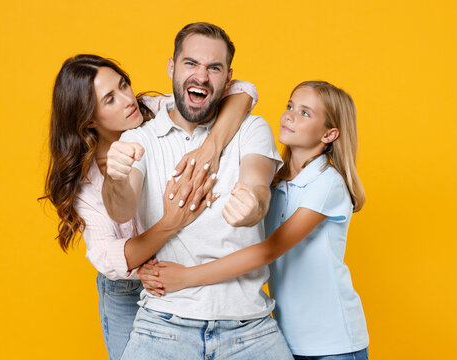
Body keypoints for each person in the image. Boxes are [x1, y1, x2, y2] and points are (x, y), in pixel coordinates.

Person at [41, 54, 258, 360]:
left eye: (124, 85)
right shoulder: (87, 180)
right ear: (89, 119)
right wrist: (171, 223)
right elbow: (107, 255)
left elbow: (242, 90)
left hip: (181, 274)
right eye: (110, 100)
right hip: (128, 290)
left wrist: (211, 147)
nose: (128, 100)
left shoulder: (159, 112)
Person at [103, 22, 293, 360]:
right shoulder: (139, 139)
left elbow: (257, 185)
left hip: (248, 328)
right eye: (191, 63)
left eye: (214, 68)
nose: (201, 77)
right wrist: (115, 178)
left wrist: (253, 205)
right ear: (171, 67)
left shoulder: (251, 128)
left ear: (228, 77)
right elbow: (121, 209)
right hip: (163, 325)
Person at [140, 81, 369, 360]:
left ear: (329, 134)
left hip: (334, 342)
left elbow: (268, 251)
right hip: (284, 335)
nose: (289, 116)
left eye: (305, 113)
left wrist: (186, 277)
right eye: (290, 106)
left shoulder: (326, 184)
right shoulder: (274, 184)